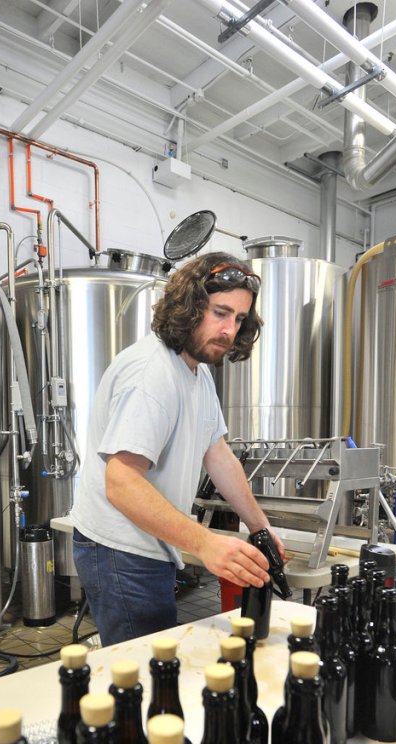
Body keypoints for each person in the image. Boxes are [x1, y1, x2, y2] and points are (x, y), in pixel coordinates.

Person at [70, 250, 285, 645]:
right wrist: (205, 544)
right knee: (146, 671)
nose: (229, 330)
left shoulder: (196, 372)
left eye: (239, 319)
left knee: (155, 662)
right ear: (188, 307)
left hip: (148, 542)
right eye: (220, 313)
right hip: (120, 550)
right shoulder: (152, 373)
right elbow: (121, 482)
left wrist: (260, 527)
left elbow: (217, 453)